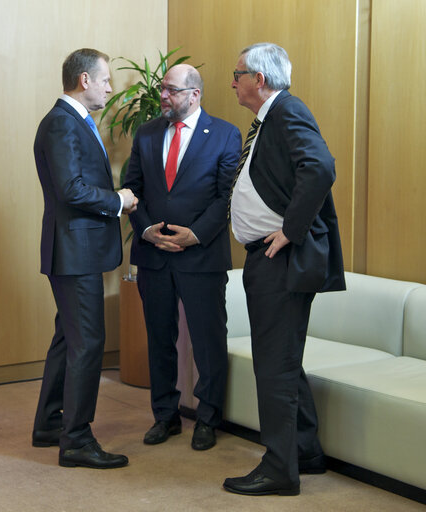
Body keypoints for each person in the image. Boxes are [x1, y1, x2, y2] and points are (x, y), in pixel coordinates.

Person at [223, 42, 346, 496]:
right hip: (268, 258)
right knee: (283, 364)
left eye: (237, 74)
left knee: (274, 367)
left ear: (260, 78)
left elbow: (320, 167)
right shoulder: (269, 117)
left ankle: (279, 469)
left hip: (283, 259)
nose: (232, 82)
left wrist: (291, 231)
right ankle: (305, 451)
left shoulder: (288, 109)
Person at [122, 64, 241, 451]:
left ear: (195, 94)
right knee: (159, 338)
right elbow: (131, 188)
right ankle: (165, 416)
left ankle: (207, 418)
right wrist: (144, 229)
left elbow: (227, 196)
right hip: (154, 253)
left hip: (201, 256)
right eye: (162, 90)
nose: (163, 97)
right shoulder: (147, 132)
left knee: (208, 341)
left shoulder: (225, 134)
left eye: (171, 90)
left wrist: (197, 235)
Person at [31, 48, 137, 469]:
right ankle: (75, 440)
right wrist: (118, 200)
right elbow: (71, 190)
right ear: (85, 81)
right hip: (75, 253)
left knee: (68, 339)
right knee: (88, 344)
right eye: (106, 80)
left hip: (78, 250)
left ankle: (49, 424)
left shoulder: (74, 121)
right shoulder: (62, 123)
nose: (111, 87)